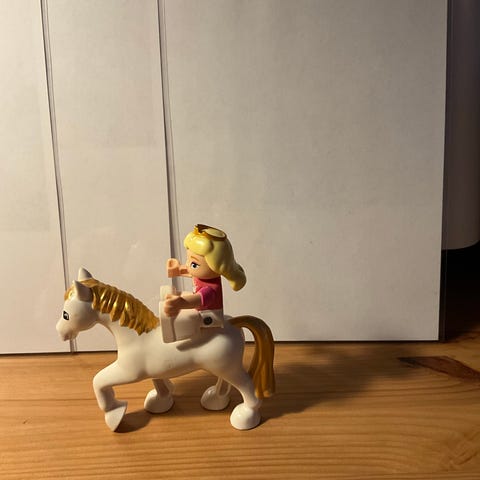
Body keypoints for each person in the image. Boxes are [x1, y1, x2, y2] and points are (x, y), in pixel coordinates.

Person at [160, 224, 246, 342]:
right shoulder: (203, 275)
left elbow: (196, 300)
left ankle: (174, 341)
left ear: (215, 267)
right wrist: (178, 270)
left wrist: (179, 303)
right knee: (174, 295)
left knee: (180, 321)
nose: (188, 265)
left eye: (194, 264)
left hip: (206, 315)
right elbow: (192, 272)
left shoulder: (210, 290)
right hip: (199, 308)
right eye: (188, 259)